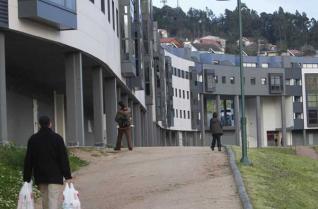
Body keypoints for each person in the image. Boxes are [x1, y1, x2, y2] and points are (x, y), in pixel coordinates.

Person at [23, 116, 72, 209]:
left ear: (39, 125)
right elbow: (63, 158)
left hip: (41, 175)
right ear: (50, 124)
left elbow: (29, 159)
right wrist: (67, 175)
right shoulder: (57, 138)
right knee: (53, 199)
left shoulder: (33, 139)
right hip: (55, 175)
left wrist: (27, 177)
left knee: (45, 200)